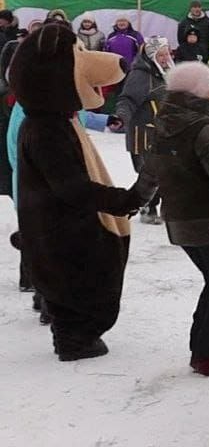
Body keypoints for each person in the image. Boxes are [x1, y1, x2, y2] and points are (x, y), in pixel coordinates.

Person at [10, 24, 156, 361]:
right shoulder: (46, 130)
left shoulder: (56, 121)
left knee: (78, 275)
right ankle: (73, 338)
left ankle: (75, 331)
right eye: (78, 56)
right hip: (63, 227)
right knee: (79, 277)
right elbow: (70, 187)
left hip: (57, 224)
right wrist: (125, 200)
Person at [145, 61, 209, 376]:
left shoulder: (162, 124)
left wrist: (133, 200)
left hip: (178, 220)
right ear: (200, 92)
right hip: (207, 222)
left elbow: (149, 172)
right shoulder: (204, 129)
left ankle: (202, 348)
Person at [116, 37, 173, 224]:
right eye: (161, 55)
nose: (165, 58)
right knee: (149, 172)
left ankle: (163, 207)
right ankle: (146, 206)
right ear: (151, 56)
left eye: (167, 53)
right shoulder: (140, 75)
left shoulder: (168, 72)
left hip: (164, 132)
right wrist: (121, 116)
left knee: (167, 170)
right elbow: (127, 100)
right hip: (143, 133)